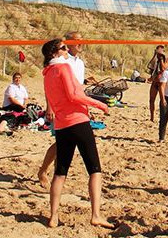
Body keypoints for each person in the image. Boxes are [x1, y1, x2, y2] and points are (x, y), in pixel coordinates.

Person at [41, 38, 113, 229]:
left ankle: (53, 217)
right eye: (64, 48)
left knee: (60, 172)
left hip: (62, 125)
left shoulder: (46, 73)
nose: (67, 51)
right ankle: (96, 215)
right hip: (79, 122)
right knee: (95, 170)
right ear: (54, 53)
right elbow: (74, 95)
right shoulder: (63, 68)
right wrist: (100, 104)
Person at [38, 31, 86, 188]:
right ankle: (44, 171)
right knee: (61, 143)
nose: (81, 42)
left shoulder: (79, 63)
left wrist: (85, 107)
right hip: (60, 107)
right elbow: (51, 86)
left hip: (76, 107)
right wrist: (49, 107)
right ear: (69, 43)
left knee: (67, 143)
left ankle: (55, 176)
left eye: (81, 39)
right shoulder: (60, 60)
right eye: (77, 40)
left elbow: (79, 88)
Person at [147, 45, 168, 122]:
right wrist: (155, 55)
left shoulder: (167, 59)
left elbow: (163, 68)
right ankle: (152, 117)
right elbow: (150, 66)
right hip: (155, 81)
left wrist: (161, 59)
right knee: (151, 100)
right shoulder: (155, 59)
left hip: (162, 83)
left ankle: (162, 117)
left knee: (162, 101)